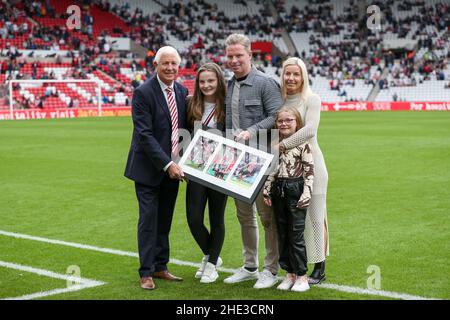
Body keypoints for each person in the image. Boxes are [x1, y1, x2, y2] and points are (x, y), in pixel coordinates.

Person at [124, 46, 188, 290]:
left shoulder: (182, 91)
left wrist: (183, 162)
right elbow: (144, 134)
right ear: (156, 66)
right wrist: (167, 163)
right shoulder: (143, 92)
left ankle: (161, 266)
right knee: (149, 220)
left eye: (174, 64)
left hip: (173, 170)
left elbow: (184, 131)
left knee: (165, 220)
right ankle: (146, 272)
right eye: (165, 64)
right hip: (149, 169)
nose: (170, 68)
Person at [223, 33, 283, 289]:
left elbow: (277, 115)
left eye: (239, 56)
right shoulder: (229, 84)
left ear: (250, 55)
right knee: (244, 216)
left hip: (263, 161)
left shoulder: (266, 83)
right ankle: (250, 266)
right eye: (230, 56)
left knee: (266, 217)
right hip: (237, 162)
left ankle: (270, 270)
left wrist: (252, 130)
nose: (234, 60)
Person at [278, 57, 329, 285]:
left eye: (296, 74)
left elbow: (310, 130)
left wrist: (282, 145)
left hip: (312, 166)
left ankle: (320, 267)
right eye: (287, 74)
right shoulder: (278, 100)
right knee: (292, 220)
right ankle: (296, 268)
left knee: (316, 217)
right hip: (286, 170)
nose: (291, 78)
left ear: (303, 76)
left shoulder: (312, 99)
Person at [263, 107, 314, 292]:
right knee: (282, 234)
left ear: (297, 123)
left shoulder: (303, 145)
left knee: (296, 235)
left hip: (296, 189)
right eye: (280, 121)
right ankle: (289, 273)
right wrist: (267, 189)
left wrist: (306, 193)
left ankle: (302, 275)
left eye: (288, 120)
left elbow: (309, 172)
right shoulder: (277, 144)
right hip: (279, 191)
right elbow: (273, 169)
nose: (284, 123)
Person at [186, 62, 228, 283]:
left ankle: (211, 265)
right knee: (193, 219)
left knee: (216, 218)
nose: (206, 85)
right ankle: (212, 255)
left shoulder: (228, 106)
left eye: (211, 80)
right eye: (202, 81)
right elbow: (183, 136)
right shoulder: (191, 104)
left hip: (221, 171)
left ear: (219, 81)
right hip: (196, 171)